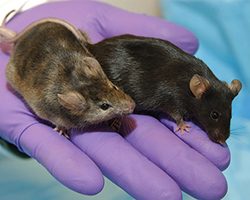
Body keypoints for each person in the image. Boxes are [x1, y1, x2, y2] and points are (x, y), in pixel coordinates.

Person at [0, 1, 230, 199]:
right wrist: (59, 123)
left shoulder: (90, 69)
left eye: (112, 86)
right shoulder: (61, 104)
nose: (129, 106)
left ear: (94, 68)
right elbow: (42, 106)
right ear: (75, 107)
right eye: (104, 106)